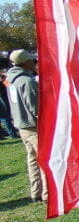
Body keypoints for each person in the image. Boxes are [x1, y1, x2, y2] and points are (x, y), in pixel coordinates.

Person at [7, 49, 47, 202]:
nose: (34, 63)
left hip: (22, 126)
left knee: (32, 160)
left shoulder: (11, 80)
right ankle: (47, 194)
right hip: (34, 126)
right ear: (25, 63)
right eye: (32, 61)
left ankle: (36, 191)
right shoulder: (27, 81)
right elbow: (36, 107)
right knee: (43, 160)